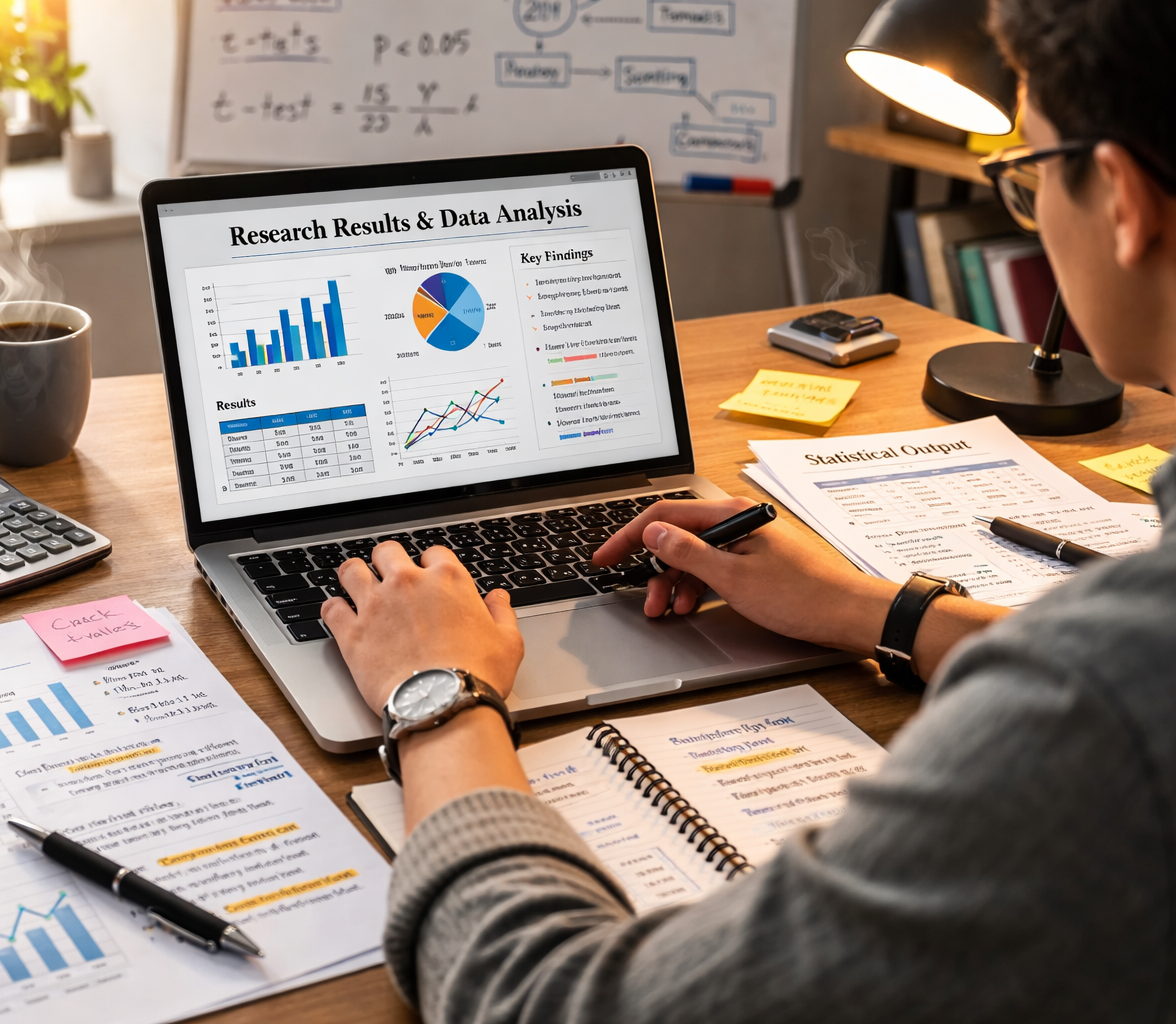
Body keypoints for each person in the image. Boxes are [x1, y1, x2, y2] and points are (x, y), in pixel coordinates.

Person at [316, 0, 1176, 1019]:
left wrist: (436, 696)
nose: (1028, 203)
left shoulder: (1098, 709)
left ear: (1123, 199)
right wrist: (875, 610)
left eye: (1027, 173)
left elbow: (542, 998)